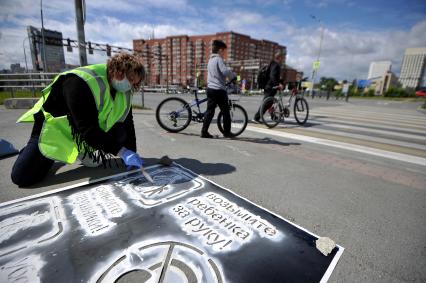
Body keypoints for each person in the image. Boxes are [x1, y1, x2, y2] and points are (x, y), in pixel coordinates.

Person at [11, 53, 145, 187]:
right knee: (22, 177)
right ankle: (45, 152)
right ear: (118, 70)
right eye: (130, 79)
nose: (130, 85)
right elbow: (88, 130)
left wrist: (132, 152)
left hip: (84, 134)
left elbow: (128, 124)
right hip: (55, 131)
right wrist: (122, 152)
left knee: (112, 141)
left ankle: (82, 151)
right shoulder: (80, 82)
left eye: (135, 82)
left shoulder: (124, 92)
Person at [201, 40, 236, 138]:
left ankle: (204, 132)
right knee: (225, 112)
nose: (224, 53)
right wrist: (233, 75)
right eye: (224, 51)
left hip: (210, 89)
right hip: (219, 90)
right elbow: (224, 71)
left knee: (210, 111)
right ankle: (227, 132)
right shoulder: (218, 59)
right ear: (220, 50)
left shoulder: (210, 60)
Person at [254, 50, 284, 122]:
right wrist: (278, 84)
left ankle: (273, 117)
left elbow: (273, 76)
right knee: (266, 103)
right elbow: (272, 76)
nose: (282, 59)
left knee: (269, 103)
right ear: (279, 57)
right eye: (282, 58)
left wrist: (280, 81)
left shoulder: (272, 64)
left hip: (269, 86)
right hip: (271, 87)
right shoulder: (276, 65)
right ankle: (256, 118)